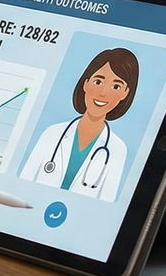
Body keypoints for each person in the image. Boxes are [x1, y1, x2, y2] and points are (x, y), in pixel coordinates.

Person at [19, 48, 137, 201]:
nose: (103, 93)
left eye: (116, 86)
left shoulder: (118, 149)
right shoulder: (52, 133)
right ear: (86, 83)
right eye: (98, 81)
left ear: (125, 93)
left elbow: (104, 206)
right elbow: (21, 186)